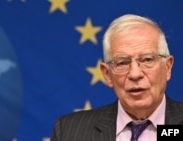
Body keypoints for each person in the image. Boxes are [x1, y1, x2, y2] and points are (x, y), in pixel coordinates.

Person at [50, 14, 183, 141]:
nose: (135, 74)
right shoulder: (69, 131)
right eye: (122, 63)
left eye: (147, 60)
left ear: (167, 67)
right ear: (107, 74)